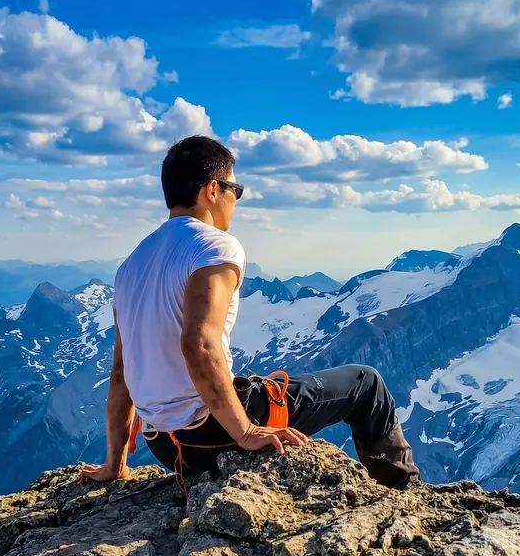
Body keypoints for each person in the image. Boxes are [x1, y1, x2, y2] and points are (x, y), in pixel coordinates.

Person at [79, 135, 419, 489]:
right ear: (212, 189)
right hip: (210, 436)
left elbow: (121, 372)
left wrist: (114, 463)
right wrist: (244, 432)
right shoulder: (214, 246)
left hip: (164, 445)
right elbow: (198, 344)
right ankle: (408, 496)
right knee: (366, 384)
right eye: (234, 190)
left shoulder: (131, 264)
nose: (235, 201)